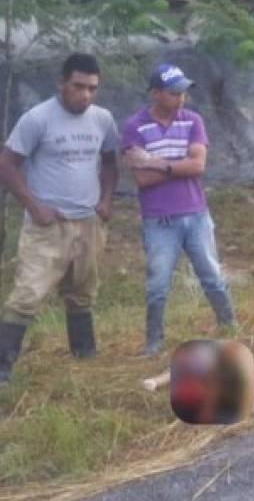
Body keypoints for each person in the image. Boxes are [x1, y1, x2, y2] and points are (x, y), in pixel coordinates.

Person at [0, 53, 119, 384]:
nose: (85, 95)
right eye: (78, 86)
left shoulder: (102, 119)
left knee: (83, 293)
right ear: (62, 83)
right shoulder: (38, 119)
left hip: (89, 222)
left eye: (92, 88)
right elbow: (6, 164)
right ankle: (3, 368)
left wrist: (106, 200)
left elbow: (110, 161)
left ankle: (84, 355)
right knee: (27, 294)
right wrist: (33, 205)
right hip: (48, 225)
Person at [121, 63, 236, 356]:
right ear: (156, 94)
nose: (181, 98)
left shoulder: (193, 120)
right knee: (158, 283)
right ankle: (153, 342)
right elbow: (141, 178)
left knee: (211, 274)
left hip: (196, 213)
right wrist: (177, 166)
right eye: (174, 93)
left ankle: (229, 326)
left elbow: (198, 165)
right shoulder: (135, 126)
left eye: (183, 92)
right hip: (159, 219)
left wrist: (156, 162)